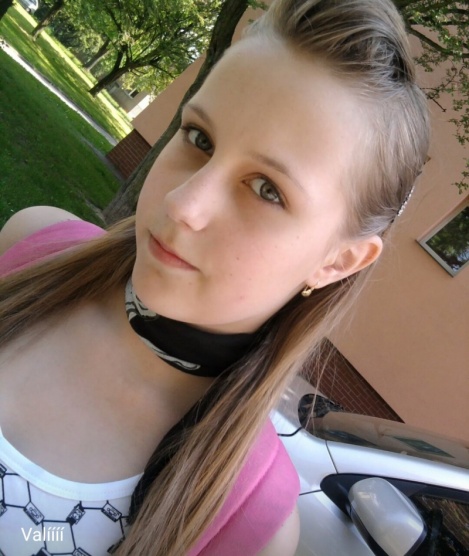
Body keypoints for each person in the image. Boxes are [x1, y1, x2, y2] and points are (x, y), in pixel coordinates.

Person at [0, 0, 430, 554]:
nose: (183, 205)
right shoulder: (32, 248)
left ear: (337, 262)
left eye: (268, 190)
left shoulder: (247, 522)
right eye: (199, 138)